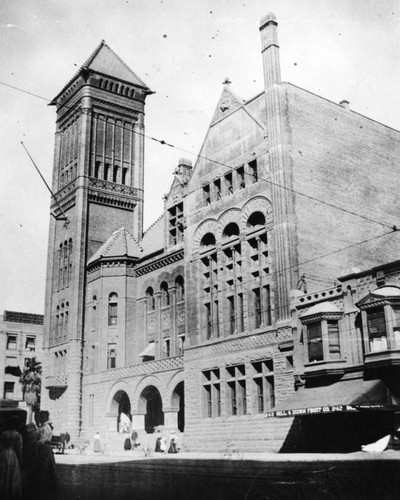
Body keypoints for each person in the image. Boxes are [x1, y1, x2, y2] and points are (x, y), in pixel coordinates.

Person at [36, 411, 59, 499]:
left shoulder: (44, 428)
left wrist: (35, 444)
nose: (40, 418)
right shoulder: (46, 426)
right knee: (48, 468)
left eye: (41, 417)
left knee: (44, 468)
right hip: (47, 448)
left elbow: (43, 440)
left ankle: (44, 489)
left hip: (44, 449)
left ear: (45, 418)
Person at [0, 429, 23, 500]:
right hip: (12, 456)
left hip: (3, 455)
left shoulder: (4, 433)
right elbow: (19, 448)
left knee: (3, 475)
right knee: (12, 476)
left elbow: (1, 445)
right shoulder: (17, 435)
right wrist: (20, 459)